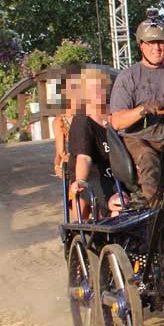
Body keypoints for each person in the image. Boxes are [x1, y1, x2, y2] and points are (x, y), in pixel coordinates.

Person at [109, 11, 164, 206]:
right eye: (151, 43)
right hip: (140, 139)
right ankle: (156, 215)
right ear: (141, 45)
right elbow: (117, 121)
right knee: (148, 160)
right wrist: (143, 110)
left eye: (161, 42)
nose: (157, 47)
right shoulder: (128, 77)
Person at [66, 67, 122, 220]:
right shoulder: (82, 120)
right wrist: (80, 181)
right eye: (92, 90)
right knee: (117, 202)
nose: (97, 93)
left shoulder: (115, 114)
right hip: (92, 173)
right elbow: (84, 158)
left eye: (100, 88)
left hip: (117, 172)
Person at [52, 67, 82, 177]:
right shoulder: (59, 121)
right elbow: (59, 153)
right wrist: (57, 166)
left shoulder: (92, 113)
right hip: (76, 162)